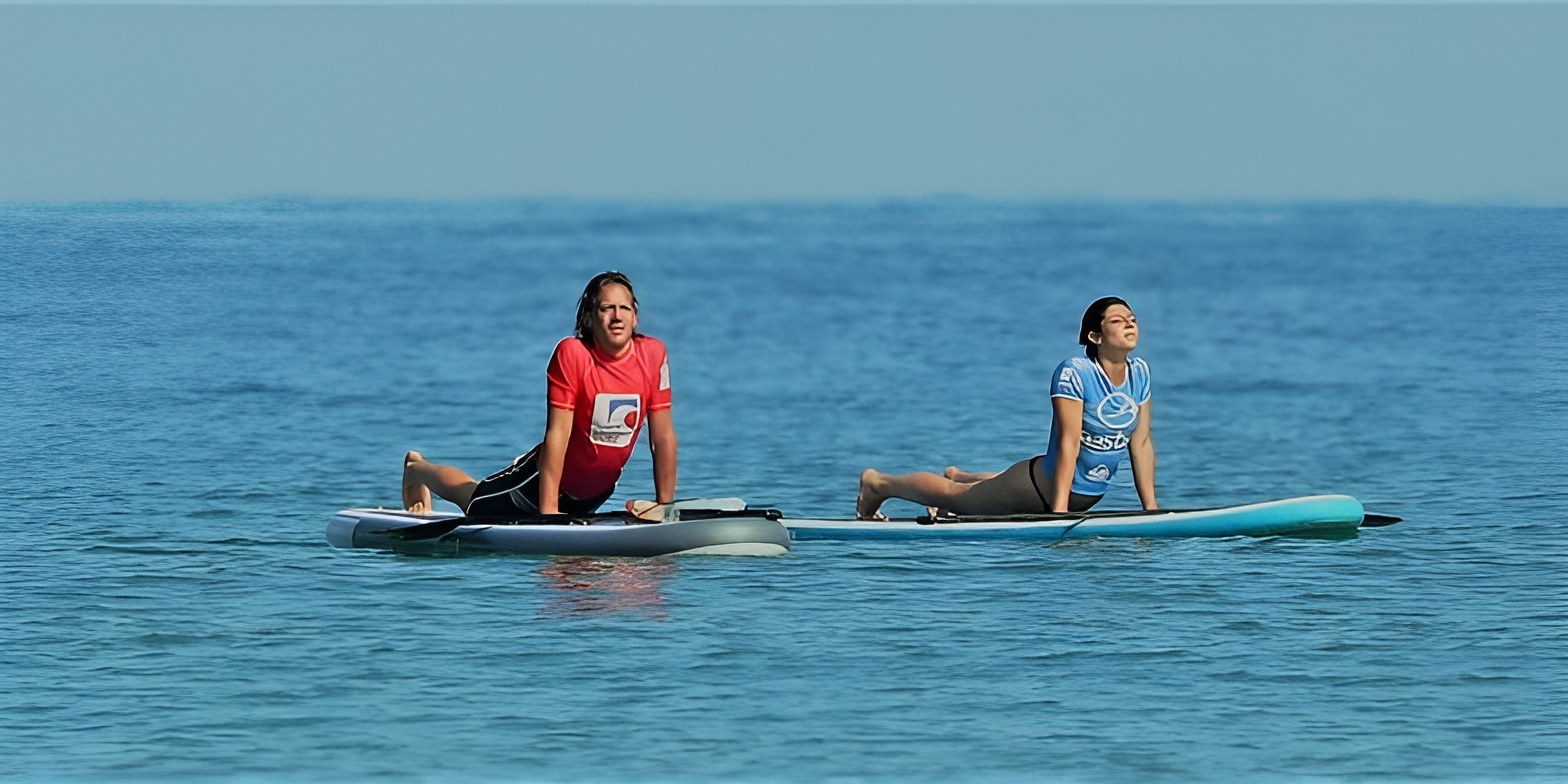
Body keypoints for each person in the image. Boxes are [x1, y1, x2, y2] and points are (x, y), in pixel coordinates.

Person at [401, 271, 677, 520]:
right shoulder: (573, 354)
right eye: (606, 308)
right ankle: (418, 470)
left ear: (635, 316)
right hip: (538, 485)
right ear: (590, 318)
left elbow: (662, 437)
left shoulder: (653, 355)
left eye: (624, 308)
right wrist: (548, 513)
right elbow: (557, 434)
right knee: (474, 501)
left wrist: (665, 506)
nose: (617, 317)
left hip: (596, 491)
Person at [855, 296, 1156, 519]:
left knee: (981, 490)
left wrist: (1151, 509)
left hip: (1081, 496)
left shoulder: (1139, 372)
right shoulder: (1075, 372)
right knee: (955, 498)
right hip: (1040, 489)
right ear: (1095, 336)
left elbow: (1140, 443)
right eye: (1117, 320)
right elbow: (1069, 442)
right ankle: (878, 484)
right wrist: (1060, 510)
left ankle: (961, 474)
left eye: (1132, 318)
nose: (1129, 322)